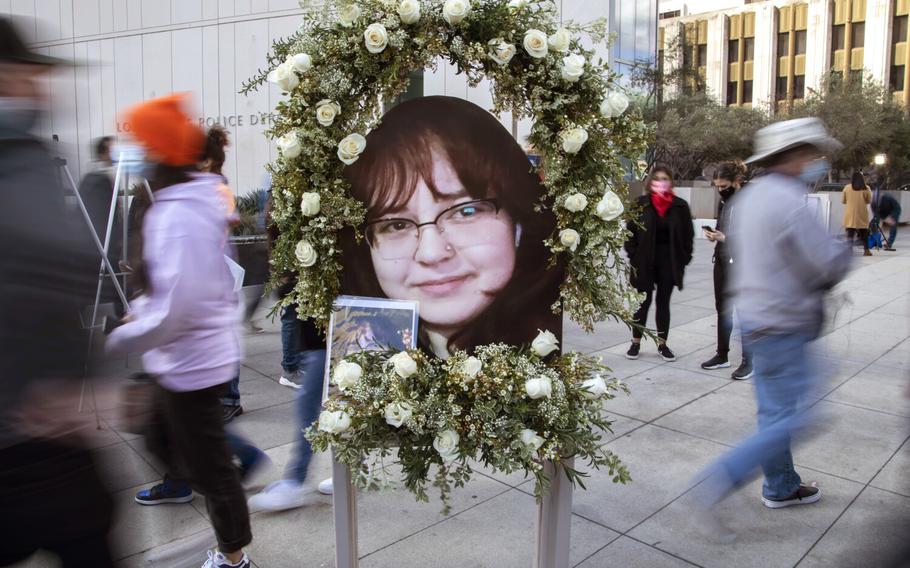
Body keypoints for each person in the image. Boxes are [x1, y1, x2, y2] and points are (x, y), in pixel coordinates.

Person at [105, 94, 253, 568]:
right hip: (182, 356)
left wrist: (124, 337)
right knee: (156, 431)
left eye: (141, 143)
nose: (133, 153)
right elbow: (175, 287)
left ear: (160, 153)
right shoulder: (180, 202)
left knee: (210, 470)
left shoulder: (179, 213)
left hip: (189, 360)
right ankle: (209, 473)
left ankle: (234, 558)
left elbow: (178, 303)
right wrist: (144, 313)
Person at [692, 118, 851, 537]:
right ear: (795, 155)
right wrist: (843, 251)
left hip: (755, 318)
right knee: (801, 417)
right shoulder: (792, 200)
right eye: (812, 153)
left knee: (775, 414)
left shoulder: (751, 198)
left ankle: (781, 485)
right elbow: (827, 262)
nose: (816, 161)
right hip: (786, 321)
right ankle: (720, 477)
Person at [0, 17, 115, 566]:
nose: (43, 88)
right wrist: (65, 380)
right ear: (7, 78)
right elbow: (55, 262)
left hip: (28, 425)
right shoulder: (18, 158)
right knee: (87, 533)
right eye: (32, 74)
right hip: (33, 429)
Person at [340, 96, 563, 358]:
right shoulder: (356, 365)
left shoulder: (554, 376)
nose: (431, 253)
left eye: (465, 211)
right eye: (396, 224)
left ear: (518, 222)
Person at [247, 318, 327, 510]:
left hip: (328, 338)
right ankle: (351, 472)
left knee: (308, 407)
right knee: (316, 407)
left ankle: (296, 482)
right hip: (318, 338)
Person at [624, 164, 694, 362]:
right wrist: (634, 255)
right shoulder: (641, 203)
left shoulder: (680, 206)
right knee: (642, 303)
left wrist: (684, 258)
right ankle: (635, 342)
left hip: (669, 262)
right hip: (644, 260)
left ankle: (662, 344)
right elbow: (630, 233)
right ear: (650, 182)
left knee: (663, 303)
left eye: (665, 179)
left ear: (670, 182)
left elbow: (688, 235)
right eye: (657, 179)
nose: (661, 182)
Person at [700, 161, 753, 379]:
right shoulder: (725, 201)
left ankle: (749, 361)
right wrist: (716, 235)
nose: (720, 190)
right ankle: (722, 355)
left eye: (724, 185)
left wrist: (727, 237)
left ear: (736, 181)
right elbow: (724, 228)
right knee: (722, 309)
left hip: (743, 263)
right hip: (722, 260)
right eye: (717, 186)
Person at [842, 171, 873, 256]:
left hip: (850, 213)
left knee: (850, 233)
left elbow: (843, 200)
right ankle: (866, 250)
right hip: (862, 213)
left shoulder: (847, 188)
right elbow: (869, 200)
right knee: (864, 232)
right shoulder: (866, 188)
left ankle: (849, 251)